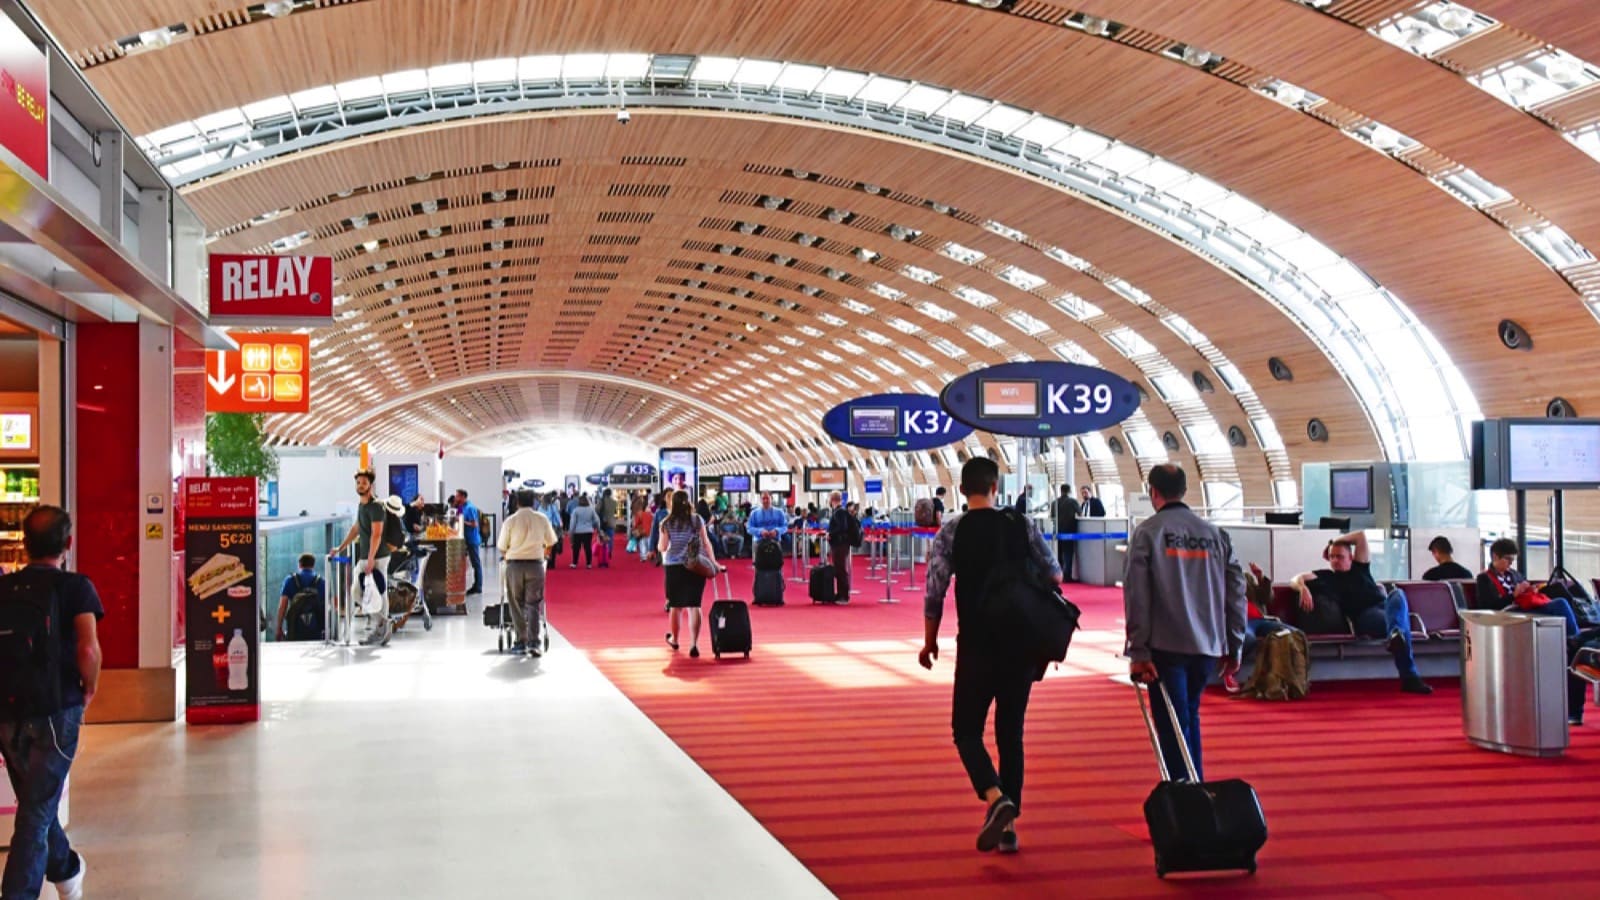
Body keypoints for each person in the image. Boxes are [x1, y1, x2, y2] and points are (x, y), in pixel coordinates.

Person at [920, 457, 1062, 855]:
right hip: (1021, 644)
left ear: (963, 491)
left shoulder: (952, 530)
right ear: (996, 487)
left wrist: (929, 641)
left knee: (965, 730)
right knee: (1010, 734)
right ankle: (1008, 826)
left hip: (977, 644)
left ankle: (994, 795)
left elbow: (935, 590)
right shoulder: (1021, 524)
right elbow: (1054, 574)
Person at [0, 506, 101, 900]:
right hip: (57, 710)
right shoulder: (75, 587)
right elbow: (88, 648)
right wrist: (88, 689)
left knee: (34, 802)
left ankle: (67, 869)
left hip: (7, 711)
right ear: (68, 544)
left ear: (24, 545)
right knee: (35, 812)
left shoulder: (4, 588)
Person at [1291, 531, 1432, 694]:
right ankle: (1407, 670)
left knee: (1397, 594)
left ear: (1350, 557)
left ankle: (1396, 636)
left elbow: (1360, 536)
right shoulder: (1327, 577)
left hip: (1384, 607)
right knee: (1399, 626)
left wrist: (1333, 542)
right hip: (1365, 616)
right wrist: (1302, 587)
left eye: (1340, 556)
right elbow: (1296, 578)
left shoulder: (1361, 567)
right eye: (1332, 557)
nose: (1335, 560)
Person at [331, 469, 390, 645]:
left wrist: (371, 558)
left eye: (364, 483)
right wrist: (340, 547)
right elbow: (356, 528)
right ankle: (381, 622)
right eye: (358, 483)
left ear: (370, 485)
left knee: (379, 591)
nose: (360, 485)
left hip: (377, 557)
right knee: (357, 592)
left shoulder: (376, 507)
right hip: (366, 556)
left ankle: (381, 626)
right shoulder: (362, 506)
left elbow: (376, 534)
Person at [499, 489, 558, 657]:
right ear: (534, 502)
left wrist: (510, 557)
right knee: (533, 604)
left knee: (516, 603)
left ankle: (520, 641)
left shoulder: (510, 521)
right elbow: (551, 541)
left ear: (517, 502)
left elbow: (502, 547)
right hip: (536, 566)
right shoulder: (542, 519)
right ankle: (534, 642)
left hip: (515, 566)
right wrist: (544, 554)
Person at [659, 490, 714, 658]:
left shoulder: (666, 522)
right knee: (694, 606)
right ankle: (694, 644)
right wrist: (713, 562)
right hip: (694, 565)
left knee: (675, 606)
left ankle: (675, 639)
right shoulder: (697, 520)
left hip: (674, 566)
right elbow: (706, 543)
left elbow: (663, 546)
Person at [276, 552, 325, 641]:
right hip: (316, 632)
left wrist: (279, 628)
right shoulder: (321, 582)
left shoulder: (290, 580)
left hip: (295, 631)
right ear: (313, 565)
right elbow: (331, 605)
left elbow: (282, 606)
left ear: (299, 565)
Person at [825, 491, 859, 602]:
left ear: (832, 500)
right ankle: (840, 593)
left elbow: (842, 527)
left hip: (840, 544)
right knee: (839, 568)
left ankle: (844, 595)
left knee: (840, 569)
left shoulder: (839, 512)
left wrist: (830, 533)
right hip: (840, 543)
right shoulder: (841, 512)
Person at [455, 489, 483, 595]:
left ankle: (478, 586)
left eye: (457, 496)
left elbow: (474, 524)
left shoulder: (470, 508)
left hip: (472, 540)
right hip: (466, 539)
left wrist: (462, 521)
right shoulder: (462, 507)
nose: (456, 498)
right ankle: (476, 585)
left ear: (463, 496)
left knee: (476, 564)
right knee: (472, 563)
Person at [1051, 485, 1080, 581]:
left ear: (1061, 491)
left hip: (1057, 531)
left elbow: (1052, 517)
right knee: (1068, 553)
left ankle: (1059, 574)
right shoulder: (1072, 502)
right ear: (1069, 491)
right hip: (1069, 531)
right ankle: (1067, 575)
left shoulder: (1054, 503)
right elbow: (1080, 513)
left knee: (1058, 553)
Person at [567, 494, 599, 569]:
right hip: (588, 531)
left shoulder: (576, 510)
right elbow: (596, 520)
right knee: (587, 547)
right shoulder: (591, 509)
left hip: (578, 531)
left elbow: (573, 523)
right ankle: (589, 564)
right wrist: (595, 526)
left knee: (576, 548)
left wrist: (570, 532)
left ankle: (574, 563)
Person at [596, 488, 618, 568]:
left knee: (602, 542)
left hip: (602, 523)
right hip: (611, 523)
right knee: (610, 539)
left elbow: (597, 510)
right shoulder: (614, 502)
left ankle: (602, 559)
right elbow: (614, 512)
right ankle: (609, 552)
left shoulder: (601, 501)